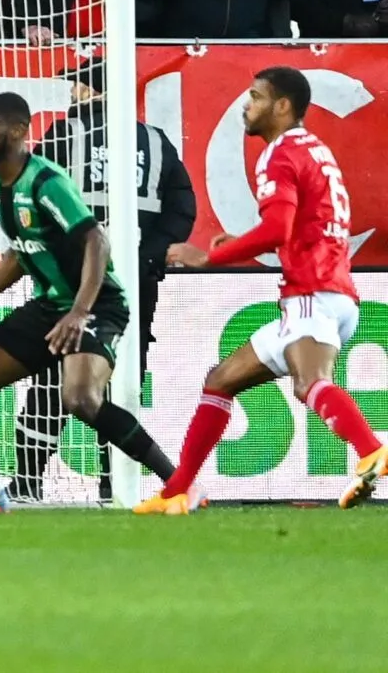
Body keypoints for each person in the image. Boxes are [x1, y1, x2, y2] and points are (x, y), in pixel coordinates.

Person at [142, 65, 386, 513]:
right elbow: (299, 224)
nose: (245, 106)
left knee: (309, 383)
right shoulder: (314, 149)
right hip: (331, 291)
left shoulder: (279, 154)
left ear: (282, 105)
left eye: (255, 97)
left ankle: (372, 450)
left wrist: (210, 257)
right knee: (220, 381)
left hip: (312, 293)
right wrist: (240, 241)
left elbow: (278, 228)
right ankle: (176, 492)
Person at [0, 91, 178, 514]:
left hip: (97, 304)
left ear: (17, 132)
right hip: (50, 307)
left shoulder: (46, 182)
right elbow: (20, 253)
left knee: (81, 400)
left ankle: (179, 483)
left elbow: (96, 242)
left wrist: (80, 311)